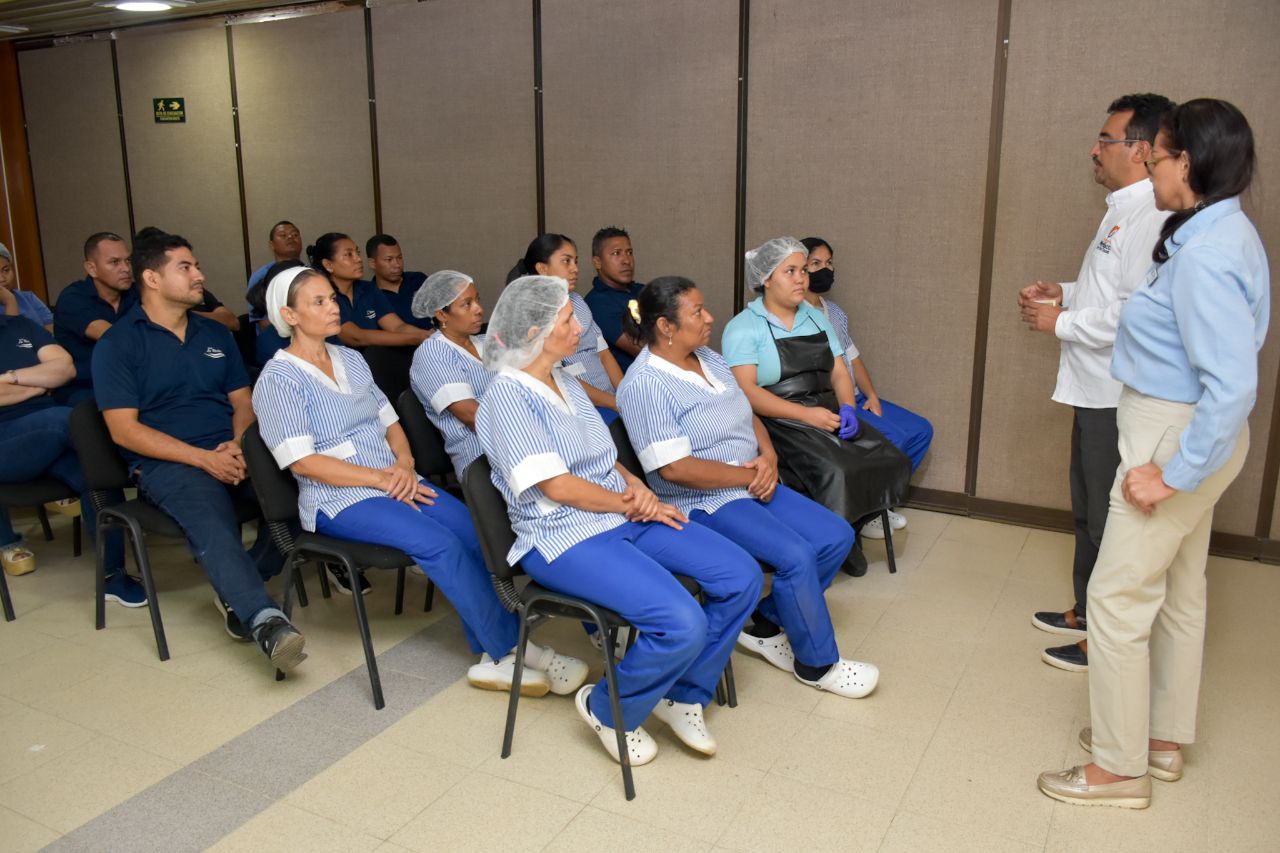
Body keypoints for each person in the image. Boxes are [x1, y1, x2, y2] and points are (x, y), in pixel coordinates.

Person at [1038, 98, 1268, 809]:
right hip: (1189, 429)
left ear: (1185, 164)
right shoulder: (1221, 231)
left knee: (1113, 600)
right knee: (1181, 591)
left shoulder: (1204, 255)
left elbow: (1232, 384)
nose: (1151, 166)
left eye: (1160, 156)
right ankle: (1161, 739)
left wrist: (1172, 470)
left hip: (1175, 433)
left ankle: (1117, 768)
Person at [253, 266, 586, 695]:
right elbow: (303, 462)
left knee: (470, 530)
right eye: (318, 302)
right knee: (438, 544)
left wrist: (406, 464)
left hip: (392, 479)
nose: (332, 307)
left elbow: (390, 421)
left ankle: (491, 652)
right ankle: (512, 649)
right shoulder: (278, 380)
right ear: (290, 315)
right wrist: (379, 476)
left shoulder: (350, 359)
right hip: (338, 498)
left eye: (332, 299)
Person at [476, 275, 762, 764]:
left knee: (741, 576)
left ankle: (682, 694)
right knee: (681, 622)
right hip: (562, 538)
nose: (578, 326)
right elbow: (559, 487)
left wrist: (637, 487)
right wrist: (634, 504)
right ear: (533, 333)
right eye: (567, 319)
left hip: (618, 514)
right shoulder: (506, 399)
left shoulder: (565, 380)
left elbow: (606, 458)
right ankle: (607, 707)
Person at [617, 277, 878, 698]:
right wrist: (750, 475)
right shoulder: (644, 385)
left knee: (835, 537)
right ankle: (817, 664)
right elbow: (676, 470)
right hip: (704, 499)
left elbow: (746, 409)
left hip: (750, 478)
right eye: (697, 312)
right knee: (795, 556)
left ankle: (767, 622)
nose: (710, 317)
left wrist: (768, 455)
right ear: (665, 326)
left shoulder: (710, 358)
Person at [91, 228, 302, 669]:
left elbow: (243, 402)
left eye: (196, 265)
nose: (198, 275)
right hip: (168, 463)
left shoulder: (214, 334)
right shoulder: (119, 343)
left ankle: (237, 584)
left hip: (230, 449)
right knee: (210, 515)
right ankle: (264, 620)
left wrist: (239, 445)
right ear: (151, 278)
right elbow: (124, 431)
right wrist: (203, 458)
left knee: (301, 492)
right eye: (185, 267)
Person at [1018, 94, 1175, 674]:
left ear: (1140, 149)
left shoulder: (1153, 216)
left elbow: (1136, 314)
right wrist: (1064, 292)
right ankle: (1086, 611)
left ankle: (1101, 638)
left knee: (1110, 518)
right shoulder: (1120, 209)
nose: (1094, 149)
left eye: (1105, 140)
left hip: (1119, 394)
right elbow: (1106, 293)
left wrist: (1058, 320)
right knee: (1088, 509)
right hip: (1091, 388)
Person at [721, 236, 910, 574]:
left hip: (825, 408)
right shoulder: (744, 327)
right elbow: (746, 392)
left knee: (886, 454)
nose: (801, 279)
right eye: (790, 271)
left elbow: (839, 371)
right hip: (777, 418)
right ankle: (835, 542)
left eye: (802, 271)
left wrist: (848, 407)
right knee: (837, 469)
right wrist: (806, 415)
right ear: (765, 279)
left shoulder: (816, 318)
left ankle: (847, 528)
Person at [799, 236, 933, 538]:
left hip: (856, 397)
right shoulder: (793, 316)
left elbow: (853, 358)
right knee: (892, 440)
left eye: (829, 263)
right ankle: (869, 512)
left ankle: (879, 502)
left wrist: (870, 395)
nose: (825, 269)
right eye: (816, 263)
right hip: (830, 405)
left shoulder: (835, 313)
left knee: (920, 430)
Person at [0, 311, 136, 603]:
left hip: (50, 439)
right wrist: (39, 384)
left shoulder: (20, 325)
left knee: (94, 472)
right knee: (72, 421)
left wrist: (11, 379)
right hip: (7, 445)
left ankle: (113, 575)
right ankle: (143, 469)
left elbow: (65, 369)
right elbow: (51, 377)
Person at [508, 234, 624, 420]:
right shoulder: (533, 316)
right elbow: (558, 377)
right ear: (542, 269)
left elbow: (604, 354)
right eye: (566, 261)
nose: (575, 269)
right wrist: (615, 404)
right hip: (578, 406)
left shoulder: (577, 301)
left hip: (611, 398)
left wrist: (625, 396)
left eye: (575, 261)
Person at [409, 270, 491, 479]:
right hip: (480, 455)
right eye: (467, 304)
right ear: (442, 314)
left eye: (478, 300)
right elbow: (471, 415)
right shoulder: (433, 353)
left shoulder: (485, 343)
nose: (479, 310)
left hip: (515, 438)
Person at [53, 232, 138, 405]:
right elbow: (111, 336)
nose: (126, 269)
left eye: (128, 260)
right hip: (85, 387)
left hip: (132, 381)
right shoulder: (74, 297)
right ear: (92, 268)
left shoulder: (137, 293)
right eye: (114, 262)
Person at [307, 232, 429, 349]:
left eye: (358, 253)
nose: (359, 259)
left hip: (372, 363)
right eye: (349, 255)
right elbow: (356, 337)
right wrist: (416, 338)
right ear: (328, 265)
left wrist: (429, 336)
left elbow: (397, 327)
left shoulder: (368, 289)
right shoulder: (322, 296)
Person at [583, 226, 644, 371]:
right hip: (639, 384)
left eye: (629, 252)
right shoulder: (598, 303)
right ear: (597, 262)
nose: (626, 260)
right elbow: (648, 351)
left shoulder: (641, 290)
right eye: (616, 253)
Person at [366, 234, 431, 330]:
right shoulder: (368, 296)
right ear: (372, 263)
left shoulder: (418, 280)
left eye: (399, 258)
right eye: (389, 259)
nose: (397, 265)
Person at [245, 221, 303, 313]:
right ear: (271, 244)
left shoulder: (311, 273)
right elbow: (263, 322)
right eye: (283, 235)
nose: (290, 237)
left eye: (295, 235)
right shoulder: (261, 276)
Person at [0, 242, 53, 331]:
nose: (2, 279)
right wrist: (10, 302)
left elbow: (52, 333)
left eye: (6, 270)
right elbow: (14, 340)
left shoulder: (29, 298)